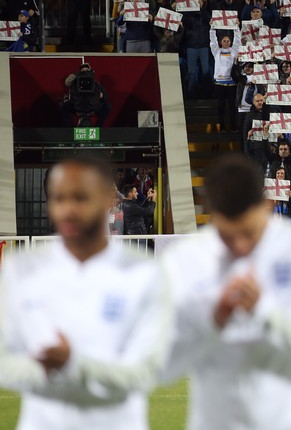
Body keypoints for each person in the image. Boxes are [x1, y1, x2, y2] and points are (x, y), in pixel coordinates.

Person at [161, 154, 291, 430]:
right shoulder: (184, 260)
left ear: (267, 206)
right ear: (212, 214)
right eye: (226, 236)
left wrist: (266, 313)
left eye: (249, 233)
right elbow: (159, 366)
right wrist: (212, 322)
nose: (238, 245)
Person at [0, 155, 172, 430]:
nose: (68, 209)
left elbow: (145, 372)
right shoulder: (21, 269)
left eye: (80, 198)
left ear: (107, 199)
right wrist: (50, 368)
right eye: (58, 199)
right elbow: (5, 363)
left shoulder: (144, 273)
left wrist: (72, 364)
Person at [62, 62, 111, 127]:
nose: (85, 72)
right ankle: (70, 129)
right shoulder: (74, 83)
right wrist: (74, 76)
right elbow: (67, 83)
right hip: (77, 107)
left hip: (93, 108)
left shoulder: (97, 85)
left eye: (86, 70)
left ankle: (98, 128)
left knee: (107, 107)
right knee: (64, 106)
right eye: (82, 70)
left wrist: (102, 96)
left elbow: (106, 97)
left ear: (91, 71)